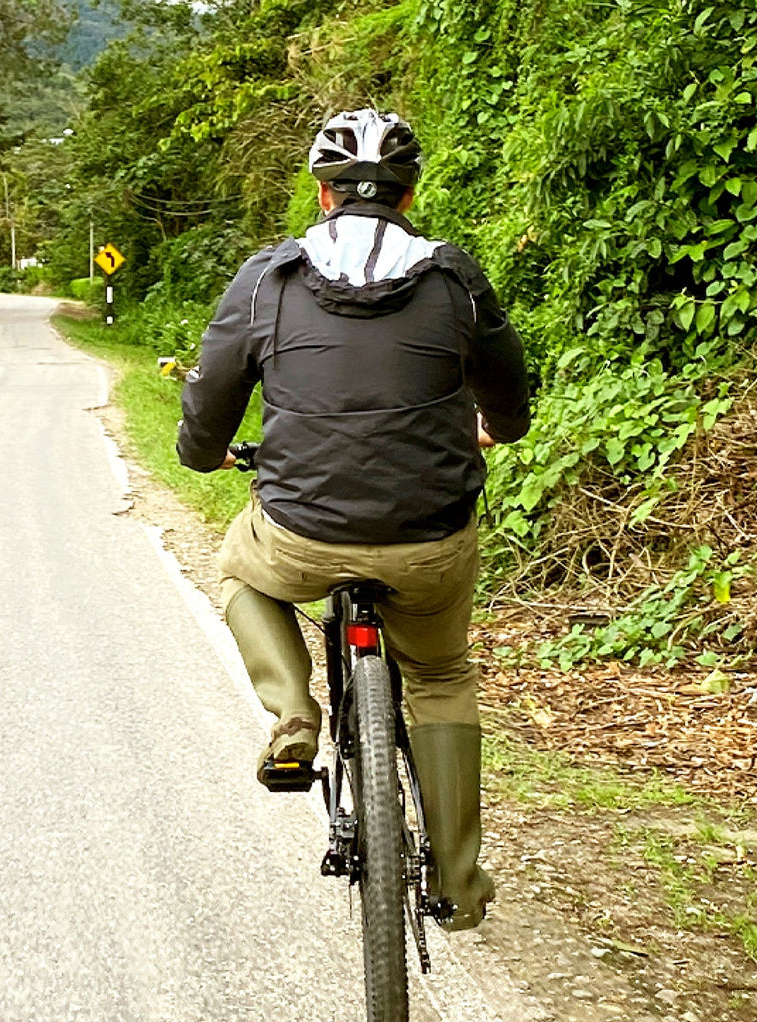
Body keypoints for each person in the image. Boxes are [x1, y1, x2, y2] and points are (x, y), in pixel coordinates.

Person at [176, 109, 530, 931]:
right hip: (430, 539)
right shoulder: (452, 278)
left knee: (240, 568)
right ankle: (458, 882)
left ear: (323, 193)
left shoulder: (269, 277)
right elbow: (507, 390)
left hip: (301, 534)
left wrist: (201, 454)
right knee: (439, 678)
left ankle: (293, 711)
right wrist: (498, 429)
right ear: (410, 193)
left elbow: (212, 392)